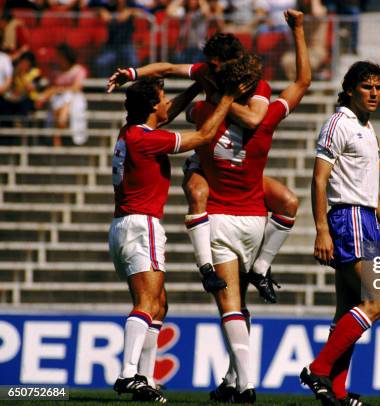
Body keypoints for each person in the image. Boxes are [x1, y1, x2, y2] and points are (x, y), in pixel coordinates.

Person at [107, 32, 298, 303]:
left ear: (233, 61)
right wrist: (134, 73)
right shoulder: (209, 74)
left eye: (217, 63)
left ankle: (261, 267)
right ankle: (206, 268)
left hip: (237, 163)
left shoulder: (255, 86)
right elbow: (170, 70)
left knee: (288, 201)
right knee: (196, 191)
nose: (212, 68)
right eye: (210, 63)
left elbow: (254, 119)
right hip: (205, 155)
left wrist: (213, 102)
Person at [185, 9, 311, 402]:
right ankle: (231, 379)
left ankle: (247, 383)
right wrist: (298, 30)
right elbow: (303, 81)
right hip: (256, 219)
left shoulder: (204, 114)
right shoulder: (268, 116)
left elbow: (184, 112)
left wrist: (203, 85)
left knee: (229, 307)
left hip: (220, 220)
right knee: (240, 306)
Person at [109, 74, 251, 402]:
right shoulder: (146, 140)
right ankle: (128, 374)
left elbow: (166, 112)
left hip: (125, 225)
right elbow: (203, 135)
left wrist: (198, 86)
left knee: (159, 306)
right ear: (152, 106)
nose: (166, 102)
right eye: (162, 97)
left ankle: (145, 377)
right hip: (141, 225)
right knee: (147, 303)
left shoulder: (130, 131)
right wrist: (227, 96)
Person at [301, 60, 380, 406]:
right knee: (378, 303)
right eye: (367, 87)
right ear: (350, 89)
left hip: (366, 218)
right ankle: (318, 368)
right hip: (349, 218)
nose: (375, 93)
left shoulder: (367, 127)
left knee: (348, 310)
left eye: (378, 87)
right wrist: (321, 230)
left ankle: (337, 391)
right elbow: (319, 179)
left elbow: (368, 186)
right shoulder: (339, 123)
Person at [36, 44, 87, 146]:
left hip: (74, 99)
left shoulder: (78, 70)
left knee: (67, 97)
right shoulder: (54, 71)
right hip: (56, 100)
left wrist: (58, 89)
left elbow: (76, 88)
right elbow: (50, 88)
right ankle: (58, 131)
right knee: (58, 101)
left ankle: (58, 134)